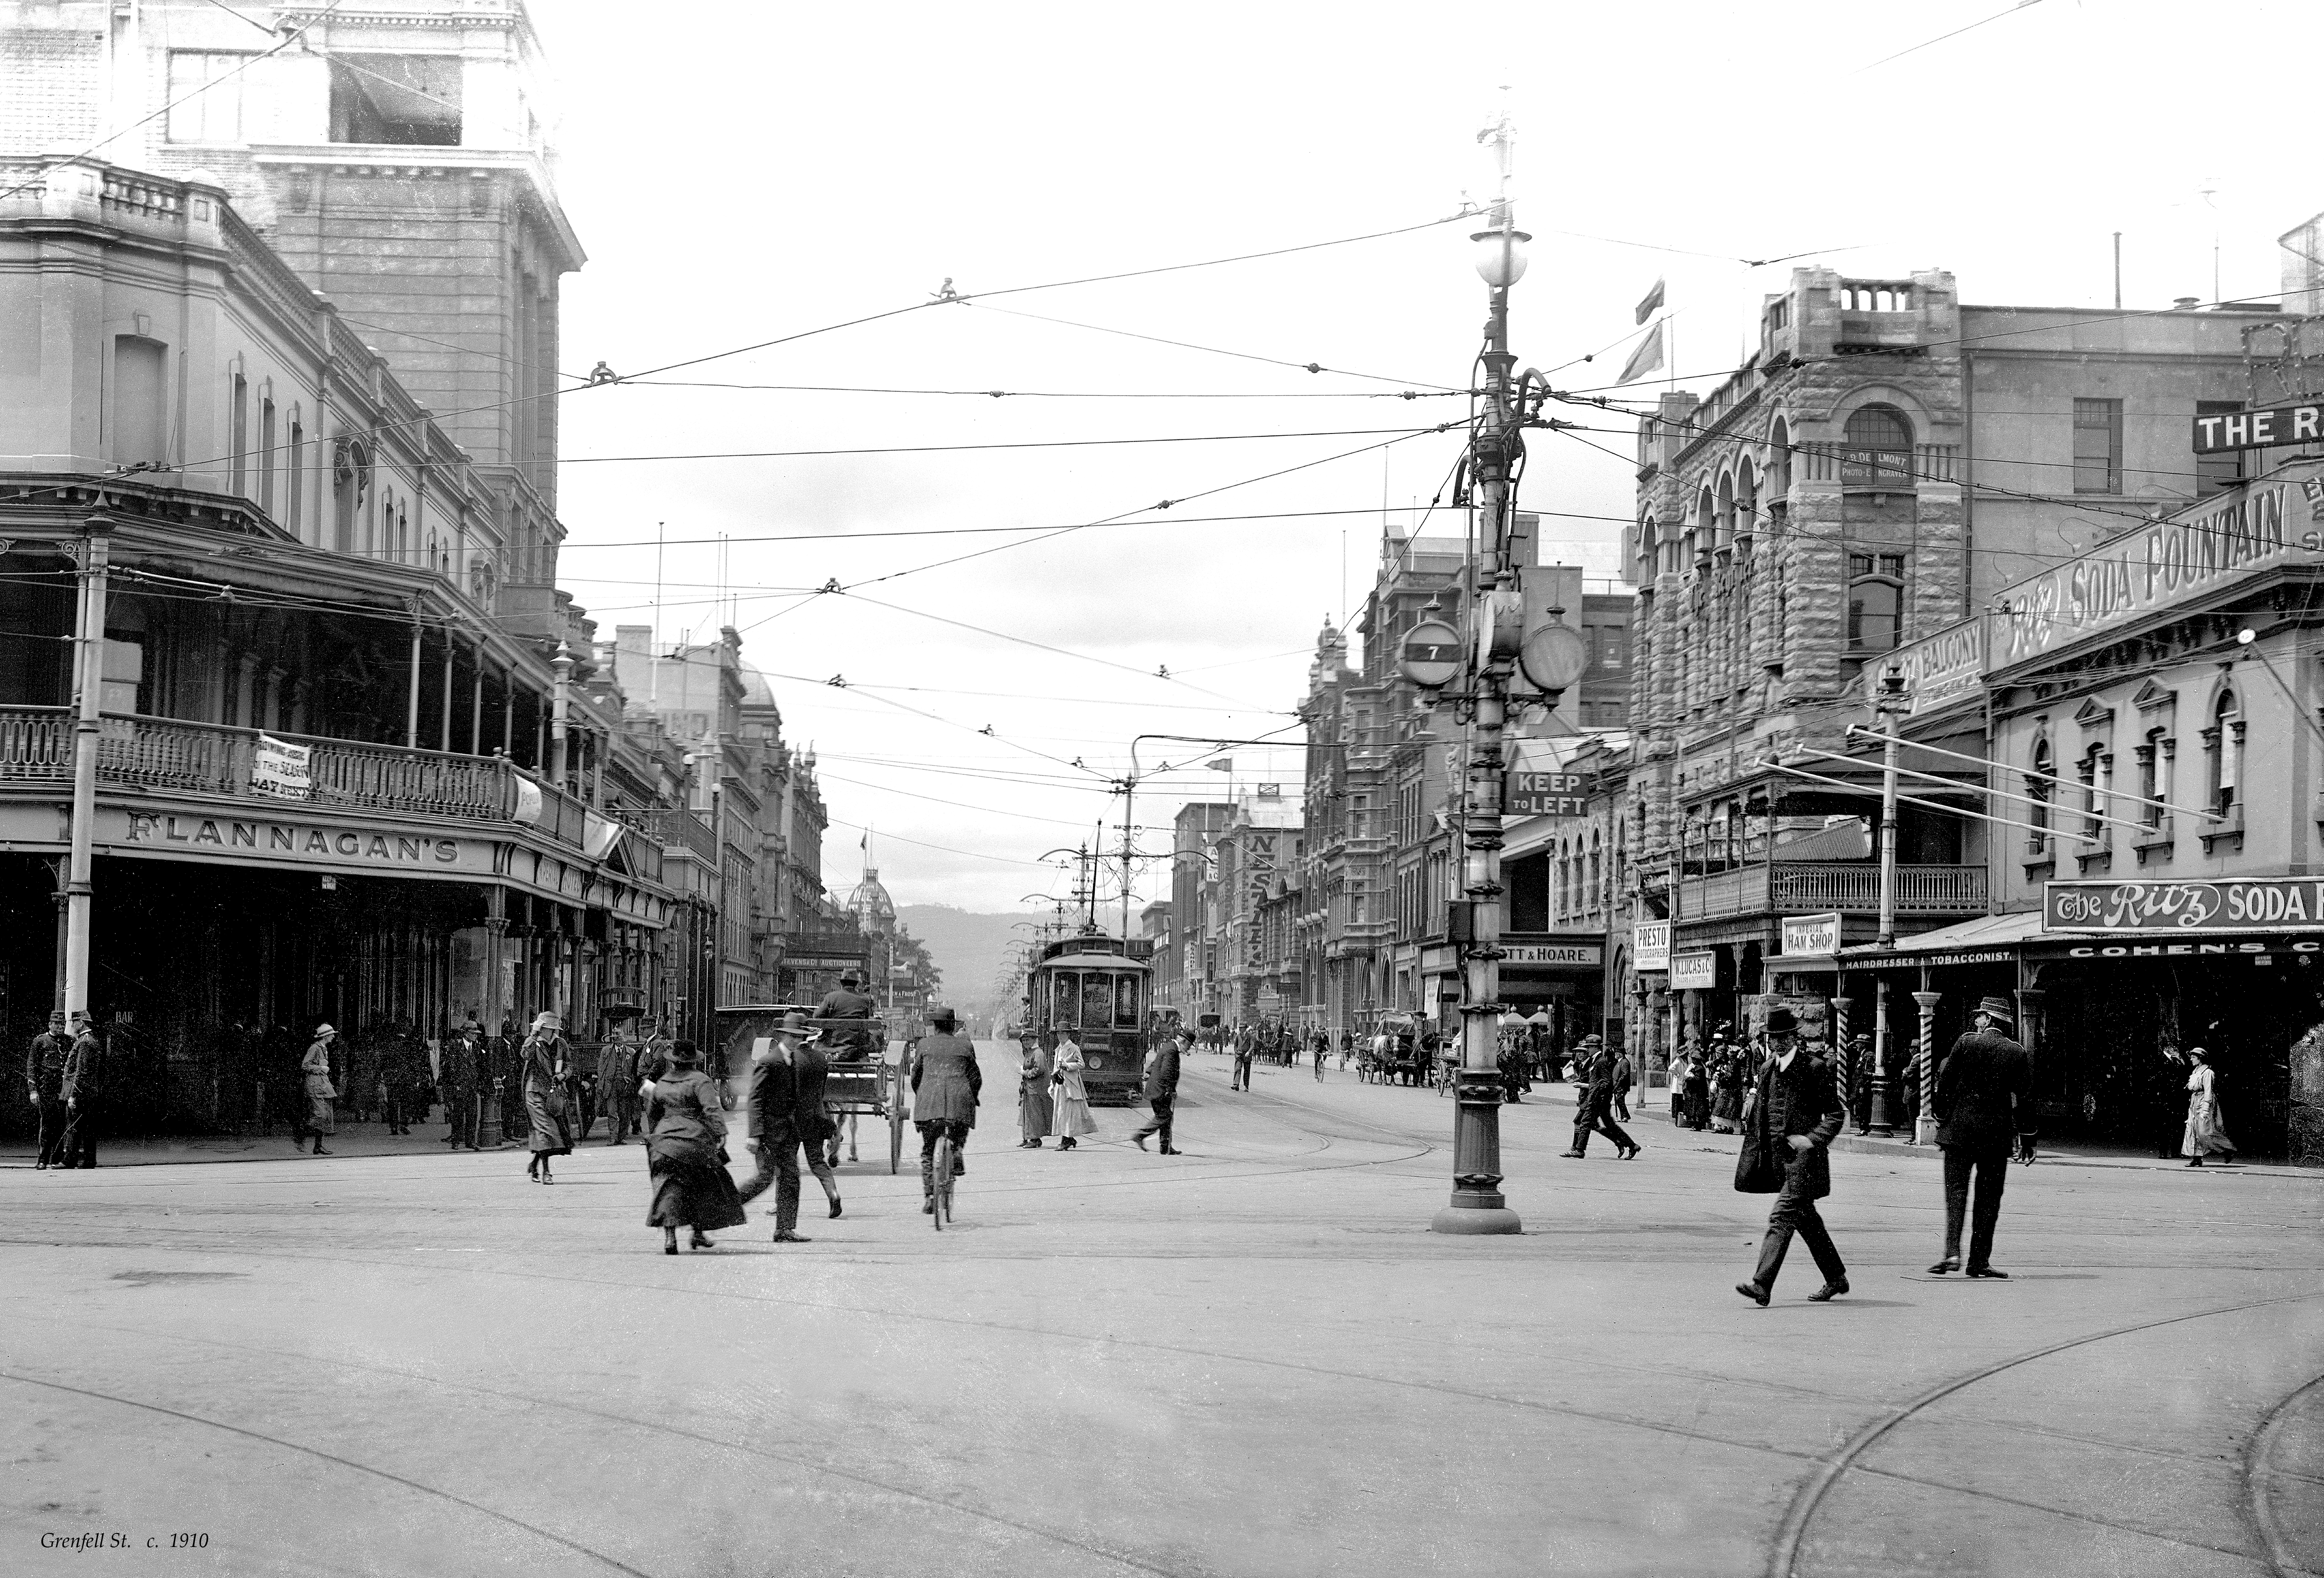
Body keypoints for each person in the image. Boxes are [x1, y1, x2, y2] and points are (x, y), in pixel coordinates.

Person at [1735, 1008, 1849, 1306]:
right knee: (1807, 1222)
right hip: (1776, 1160)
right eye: (1771, 1038)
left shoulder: (1813, 1067)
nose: (1776, 1043)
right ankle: (1836, 1277)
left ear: (1794, 1036)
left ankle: (1762, 1284)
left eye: (1782, 1038)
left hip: (1805, 1162)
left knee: (1781, 1216)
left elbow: (1836, 1114)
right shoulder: (1767, 1069)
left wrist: (1811, 1140)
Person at [1928, 995, 2037, 1277]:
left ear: (1988, 1020)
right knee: (1989, 1199)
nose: (1975, 1020)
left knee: (1956, 1194)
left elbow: (1945, 1081)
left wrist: (1941, 1115)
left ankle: (1952, 1253)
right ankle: (1979, 1261)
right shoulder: (2017, 1052)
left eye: (1979, 1016)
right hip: (1996, 1136)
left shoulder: (1966, 1042)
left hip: (1959, 1133)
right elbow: (2025, 1097)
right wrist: (2027, 1137)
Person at [739, 1011, 840, 1242]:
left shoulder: (794, 1061)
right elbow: (755, 1100)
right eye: (793, 1036)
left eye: (800, 1036)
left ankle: (784, 1229)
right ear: (784, 1035)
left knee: (790, 1179)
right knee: (764, 1179)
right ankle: (723, 1209)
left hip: (788, 1134)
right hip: (768, 1135)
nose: (796, 1040)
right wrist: (754, 1135)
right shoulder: (769, 1062)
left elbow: (799, 1099)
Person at [644, 1040, 748, 1253]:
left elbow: (652, 1113)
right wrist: (721, 1133)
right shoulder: (701, 1080)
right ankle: (699, 1233)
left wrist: (660, 1135)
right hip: (694, 1140)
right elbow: (711, 1110)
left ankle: (670, 1239)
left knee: (668, 1187)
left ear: (673, 1061)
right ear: (694, 1061)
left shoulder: (661, 1082)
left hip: (664, 1144)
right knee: (708, 1183)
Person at [911, 1006, 979, 1212]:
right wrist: (973, 1097)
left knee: (928, 1151)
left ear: (935, 1026)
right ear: (953, 1026)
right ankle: (957, 1149)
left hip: (929, 1104)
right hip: (959, 1102)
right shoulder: (965, 1046)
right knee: (959, 1131)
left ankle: (930, 1196)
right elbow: (976, 1078)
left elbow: (916, 1077)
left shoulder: (924, 1044)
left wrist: (923, 1095)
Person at [1564, 1036, 1640, 1159]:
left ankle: (1579, 1150)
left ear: (1595, 1047)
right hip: (1597, 1099)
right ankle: (1632, 1145)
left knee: (1585, 1122)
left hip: (1598, 1100)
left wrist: (1591, 1089)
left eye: (1589, 1047)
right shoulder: (1594, 1061)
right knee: (1610, 1126)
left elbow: (1607, 1082)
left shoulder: (1601, 1061)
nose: (1587, 1050)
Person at [519, 1012, 573, 1184]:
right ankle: (547, 1173)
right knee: (546, 1131)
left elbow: (569, 1065)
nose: (546, 1032)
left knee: (550, 1132)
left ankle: (534, 1165)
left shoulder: (561, 1044)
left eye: (547, 1029)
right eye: (542, 1029)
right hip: (534, 1093)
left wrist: (563, 1075)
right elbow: (524, 1054)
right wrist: (533, 1035)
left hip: (552, 1095)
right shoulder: (534, 1043)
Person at [54, 1011, 103, 1169]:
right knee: (88, 1127)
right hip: (89, 1093)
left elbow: (81, 1071)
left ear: (81, 1023)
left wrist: (73, 1095)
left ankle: (70, 1160)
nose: (72, 1025)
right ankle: (89, 1161)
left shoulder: (84, 1042)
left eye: (73, 1022)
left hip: (80, 1093)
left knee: (73, 1127)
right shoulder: (90, 1040)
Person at [26, 1009, 70, 1169]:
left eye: (63, 1024)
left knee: (61, 1125)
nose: (61, 1027)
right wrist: (33, 1090)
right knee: (47, 1125)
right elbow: (32, 1067)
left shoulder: (68, 1041)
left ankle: (57, 1158)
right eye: (57, 1024)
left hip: (62, 1090)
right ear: (50, 1024)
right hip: (46, 1090)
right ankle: (43, 1159)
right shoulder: (41, 1041)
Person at [2182, 1046, 2236, 1167]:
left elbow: (2208, 1091)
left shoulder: (2208, 1073)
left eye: (2193, 1057)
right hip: (2195, 1102)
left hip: (2203, 1102)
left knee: (2204, 1132)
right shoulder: (2195, 1071)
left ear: (2200, 1058)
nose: (2191, 1059)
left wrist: (2205, 1109)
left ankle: (2226, 1149)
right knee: (2193, 1130)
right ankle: (2197, 1158)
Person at [1132, 1027, 1181, 1154]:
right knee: (1164, 1116)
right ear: (1184, 1042)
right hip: (1160, 1089)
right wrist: (1171, 1090)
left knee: (1166, 1117)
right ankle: (1140, 1135)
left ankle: (1166, 1147)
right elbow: (1166, 1073)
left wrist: (1148, 1072)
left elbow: (1156, 1062)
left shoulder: (1168, 1046)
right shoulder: (1172, 1051)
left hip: (1156, 1087)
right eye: (1188, 1046)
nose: (1187, 1049)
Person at [441, 1020, 486, 1150]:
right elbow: (451, 1068)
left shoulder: (477, 1048)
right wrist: (455, 1085)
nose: (475, 1036)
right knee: (458, 1116)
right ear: (466, 1033)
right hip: (460, 1087)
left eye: (476, 1034)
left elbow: (480, 1067)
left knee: (472, 1116)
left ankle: (470, 1141)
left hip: (472, 1088)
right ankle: (456, 1140)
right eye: (473, 1033)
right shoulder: (456, 1047)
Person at [294, 1024, 339, 1156]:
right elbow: (305, 1065)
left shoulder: (324, 1048)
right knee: (320, 1115)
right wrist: (321, 1069)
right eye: (332, 1035)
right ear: (326, 1036)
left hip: (322, 1085)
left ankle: (318, 1146)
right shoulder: (315, 1048)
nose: (333, 1037)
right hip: (315, 1086)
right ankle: (301, 1133)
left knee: (324, 1117)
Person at [816, 972, 881, 1062]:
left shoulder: (831, 997)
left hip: (832, 1046)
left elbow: (817, 1016)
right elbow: (866, 1020)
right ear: (856, 984)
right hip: (856, 1047)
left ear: (842, 983)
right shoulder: (865, 1000)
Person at [380, 1021, 429, 1137]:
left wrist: (387, 1077)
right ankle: (404, 1124)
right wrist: (417, 1077)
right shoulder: (410, 1045)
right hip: (407, 1079)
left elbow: (383, 1063)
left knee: (393, 1104)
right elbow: (415, 1063)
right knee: (406, 1103)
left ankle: (393, 1126)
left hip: (393, 1080)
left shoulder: (389, 1046)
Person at [1049, 1029, 1095, 1150]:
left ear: (1068, 1035)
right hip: (1060, 1084)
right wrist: (1052, 1082)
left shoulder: (1074, 1048)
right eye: (1059, 1034)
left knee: (1068, 1112)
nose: (1061, 1036)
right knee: (1061, 1112)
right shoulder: (1058, 1049)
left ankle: (1067, 1140)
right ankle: (1068, 1139)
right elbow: (1055, 1067)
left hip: (1071, 1084)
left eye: (1063, 1034)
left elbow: (1081, 1064)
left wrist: (1068, 1066)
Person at [597, 1023, 642, 1145]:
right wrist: (601, 1086)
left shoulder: (631, 1052)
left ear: (623, 1038)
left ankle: (621, 1137)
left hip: (625, 1086)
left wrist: (632, 1083)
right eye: (615, 1038)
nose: (617, 1040)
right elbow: (601, 1069)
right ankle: (613, 1138)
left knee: (624, 1113)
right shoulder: (606, 1051)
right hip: (610, 1086)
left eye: (619, 1037)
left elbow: (635, 1070)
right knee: (612, 1113)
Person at [1018, 1034, 1053, 1147]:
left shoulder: (1038, 1053)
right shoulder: (1030, 1052)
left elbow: (1039, 1069)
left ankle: (1035, 1140)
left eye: (1028, 1040)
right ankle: (1028, 1138)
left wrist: (1025, 1073)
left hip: (1037, 1089)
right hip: (1029, 1088)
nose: (1026, 1042)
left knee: (1035, 1115)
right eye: (1024, 1040)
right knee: (1028, 1113)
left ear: (1034, 1040)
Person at [1231, 1024, 1254, 1092]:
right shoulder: (1238, 1036)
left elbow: (1252, 1045)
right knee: (1238, 1069)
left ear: (1245, 1028)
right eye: (1240, 1028)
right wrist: (1236, 1052)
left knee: (1247, 1071)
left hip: (1247, 1056)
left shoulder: (1249, 1035)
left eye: (1242, 1028)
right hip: (1239, 1055)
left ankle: (1246, 1086)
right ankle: (1236, 1084)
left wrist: (1249, 1052)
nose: (1241, 1029)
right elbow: (1235, 1045)